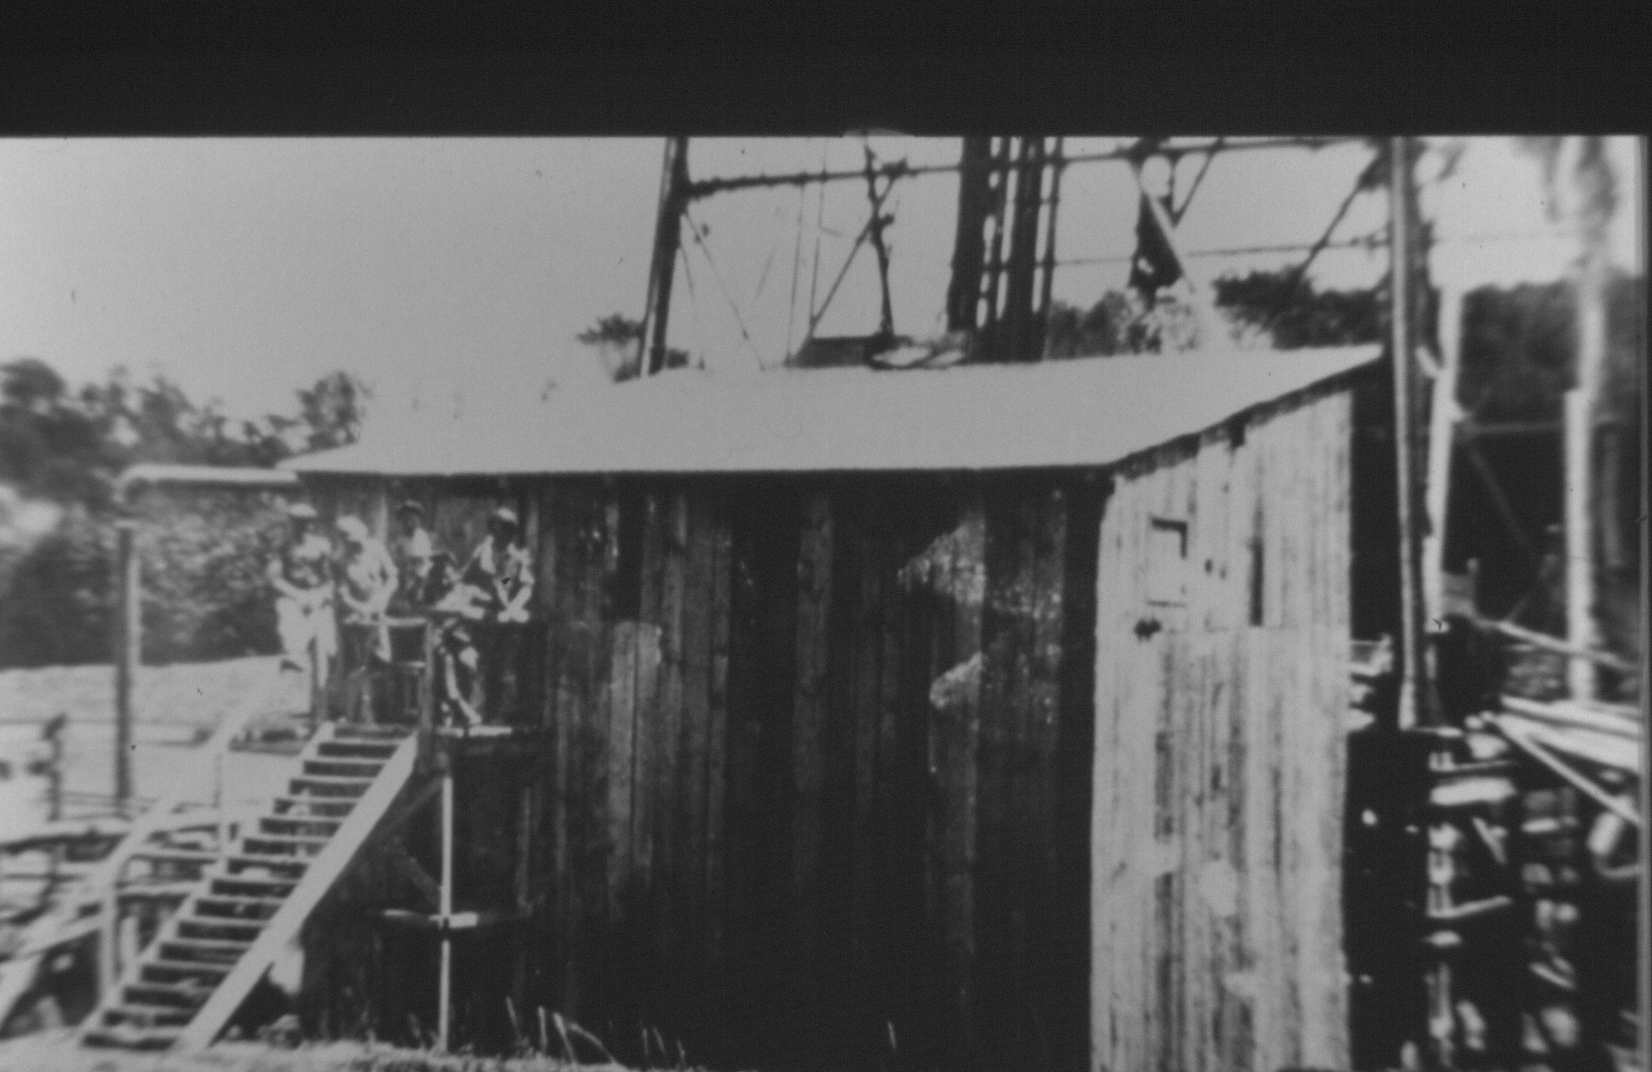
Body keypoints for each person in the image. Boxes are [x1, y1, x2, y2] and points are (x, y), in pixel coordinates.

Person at [268, 503, 334, 676]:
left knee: (324, 630)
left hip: (318, 594)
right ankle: (294, 655)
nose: (305, 527)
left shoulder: (322, 545)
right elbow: (275, 579)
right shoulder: (282, 547)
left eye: (307, 522)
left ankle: (328, 665)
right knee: (287, 611)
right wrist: (298, 596)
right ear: (291, 524)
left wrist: (321, 595)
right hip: (293, 594)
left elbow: (331, 578)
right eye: (299, 523)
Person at [334, 516, 398, 666]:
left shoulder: (377, 548)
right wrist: (361, 608)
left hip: (378, 608)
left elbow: (393, 577)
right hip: (354, 613)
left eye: (359, 541)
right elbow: (343, 595)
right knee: (358, 661)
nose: (357, 545)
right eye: (351, 543)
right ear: (345, 542)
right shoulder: (340, 560)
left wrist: (383, 597)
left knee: (382, 657)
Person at [389, 500, 434, 615]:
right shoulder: (400, 539)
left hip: (420, 576)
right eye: (405, 520)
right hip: (405, 575)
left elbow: (425, 561)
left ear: (418, 520)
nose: (409, 523)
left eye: (413, 520)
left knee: (419, 599)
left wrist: (418, 579)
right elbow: (396, 560)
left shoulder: (422, 536)